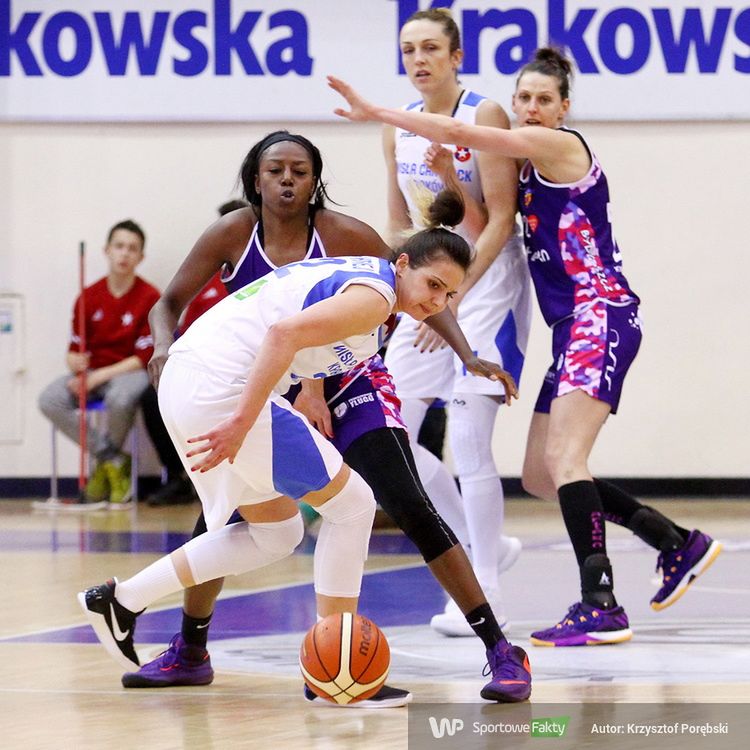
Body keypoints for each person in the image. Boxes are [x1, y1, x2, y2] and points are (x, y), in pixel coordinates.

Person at [117, 132, 531, 705]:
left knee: (406, 501)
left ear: (316, 181)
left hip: (351, 376)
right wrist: (163, 349)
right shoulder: (232, 233)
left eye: (301, 171)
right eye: (276, 170)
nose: (288, 180)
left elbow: (420, 289)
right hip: (273, 379)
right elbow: (175, 305)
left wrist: (467, 354)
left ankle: (500, 650)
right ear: (256, 179)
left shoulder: (346, 234)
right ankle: (191, 649)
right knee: (228, 509)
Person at [328, 46, 723, 647]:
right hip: (573, 326)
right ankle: (675, 543)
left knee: (565, 461)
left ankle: (600, 603)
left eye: (544, 99)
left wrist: (377, 111)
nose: (532, 108)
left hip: (600, 312)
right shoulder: (526, 169)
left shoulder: (560, 147)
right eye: (523, 99)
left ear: (564, 109)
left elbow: (464, 131)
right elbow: (476, 214)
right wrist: (445, 177)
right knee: (542, 474)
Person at [381, 8, 533, 636]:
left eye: (430, 48)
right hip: (430, 290)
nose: (418, 59)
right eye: (408, 49)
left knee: (468, 440)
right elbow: (400, 228)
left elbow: (499, 219)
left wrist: (457, 294)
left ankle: (485, 589)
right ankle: (482, 543)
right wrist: (394, 297)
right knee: (388, 434)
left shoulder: (484, 115)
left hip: (487, 284)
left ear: (455, 56)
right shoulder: (396, 128)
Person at [39, 220, 159, 507]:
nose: (124, 253)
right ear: (107, 250)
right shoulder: (88, 297)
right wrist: (75, 363)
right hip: (94, 371)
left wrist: (97, 377)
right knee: (50, 399)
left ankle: (104, 471)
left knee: (120, 398)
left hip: (130, 371)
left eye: (132, 248)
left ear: (141, 257)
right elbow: (73, 350)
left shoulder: (151, 297)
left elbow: (143, 356)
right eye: (119, 246)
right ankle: (112, 459)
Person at [141, 200, 246, 507]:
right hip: (201, 365)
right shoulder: (204, 281)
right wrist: (167, 354)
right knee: (152, 396)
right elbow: (179, 324)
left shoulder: (258, 278)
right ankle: (179, 477)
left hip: (243, 369)